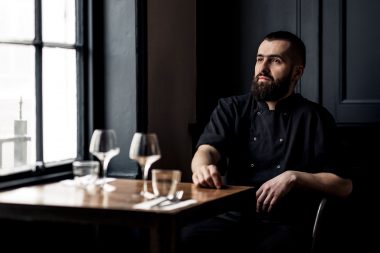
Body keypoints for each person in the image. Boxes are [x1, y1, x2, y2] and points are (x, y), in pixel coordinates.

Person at [181, 31, 353, 253]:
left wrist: (294, 177)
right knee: (185, 237)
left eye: (275, 61)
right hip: (233, 216)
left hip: (286, 224)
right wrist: (202, 167)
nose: (263, 68)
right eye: (260, 59)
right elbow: (207, 150)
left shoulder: (315, 117)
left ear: (296, 72)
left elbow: (343, 185)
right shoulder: (232, 108)